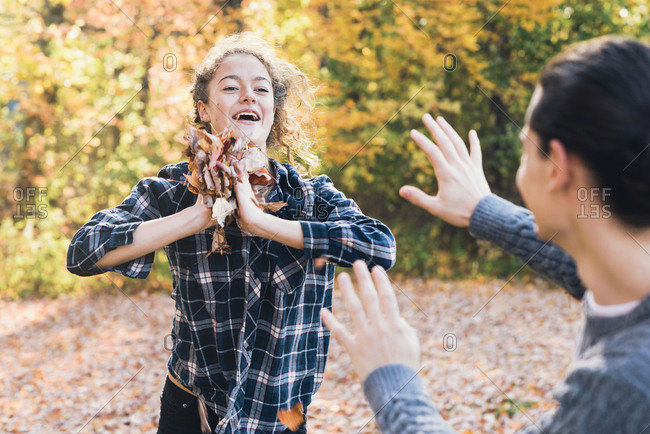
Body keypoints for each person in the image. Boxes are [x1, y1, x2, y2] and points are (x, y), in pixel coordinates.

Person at [67, 33, 396, 434]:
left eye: (260, 89)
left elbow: (380, 246)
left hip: (277, 416)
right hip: (192, 409)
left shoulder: (310, 196)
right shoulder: (172, 190)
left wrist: (263, 224)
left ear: (273, 109)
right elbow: (83, 252)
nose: (248, 96)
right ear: (204, 109)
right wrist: (194, 218)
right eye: (230, 87)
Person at [320, 36, 650, 433]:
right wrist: (483, 210)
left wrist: (391, 378)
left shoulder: (624, 383)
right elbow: (585, 267)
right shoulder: (627, 284)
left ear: (557, 167)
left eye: (525, 147)